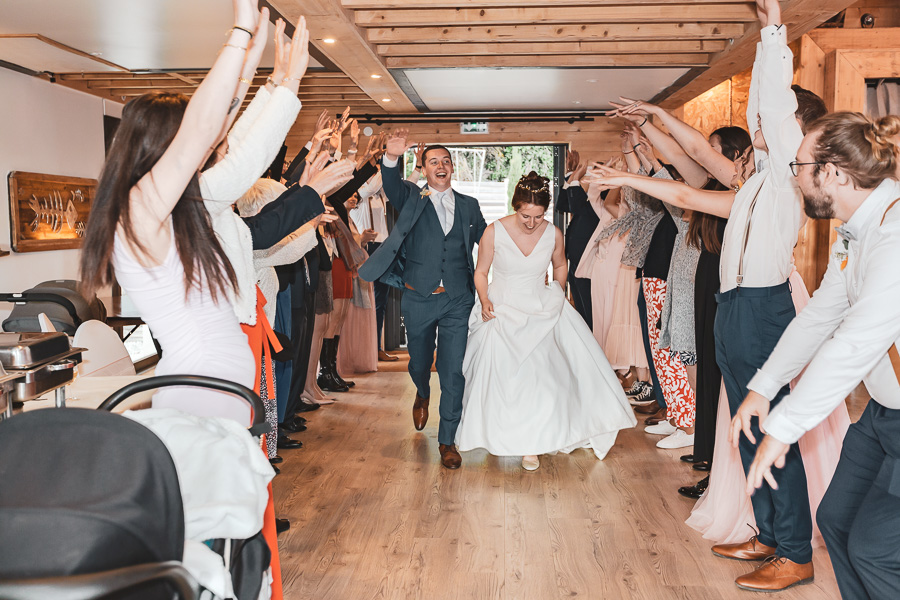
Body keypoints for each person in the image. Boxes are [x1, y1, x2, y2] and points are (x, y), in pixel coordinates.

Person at [738, 112, 900, 600]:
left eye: (800, 165)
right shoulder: (856, 230)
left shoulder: (894, 235)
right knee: (835, 520)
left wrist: (784, 428)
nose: (796, 176)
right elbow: (818, 318)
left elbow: (855, 344)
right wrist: (763, 388)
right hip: (883, 411)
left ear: (832, 173)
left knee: (875, 549)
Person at [455, 173, 637, 471]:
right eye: (525, 215)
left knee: (540, 378)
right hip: (502, 309)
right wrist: (484, 298)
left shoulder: (553, 233)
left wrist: (557, 289)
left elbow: (561, 264)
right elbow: (481, 271)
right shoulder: (494, 231)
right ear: (515, 207)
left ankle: (533, 443)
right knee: (500, 377)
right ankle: (496, 435)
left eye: (538, 216)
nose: (531, 222)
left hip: (541, 308)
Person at [359, 129, 487, 470]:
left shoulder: (470, 206)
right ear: (425, 168)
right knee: (418, 362)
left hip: (458, 299)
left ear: (452, 167)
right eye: (433, 162)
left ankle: (447, 441)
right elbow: (390, 183)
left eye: (446, 161)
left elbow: (488, 244)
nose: (440, 166)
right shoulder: (411, 198)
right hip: (418, 296)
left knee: (452, 370)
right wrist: (391, 157)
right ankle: (422, 391)